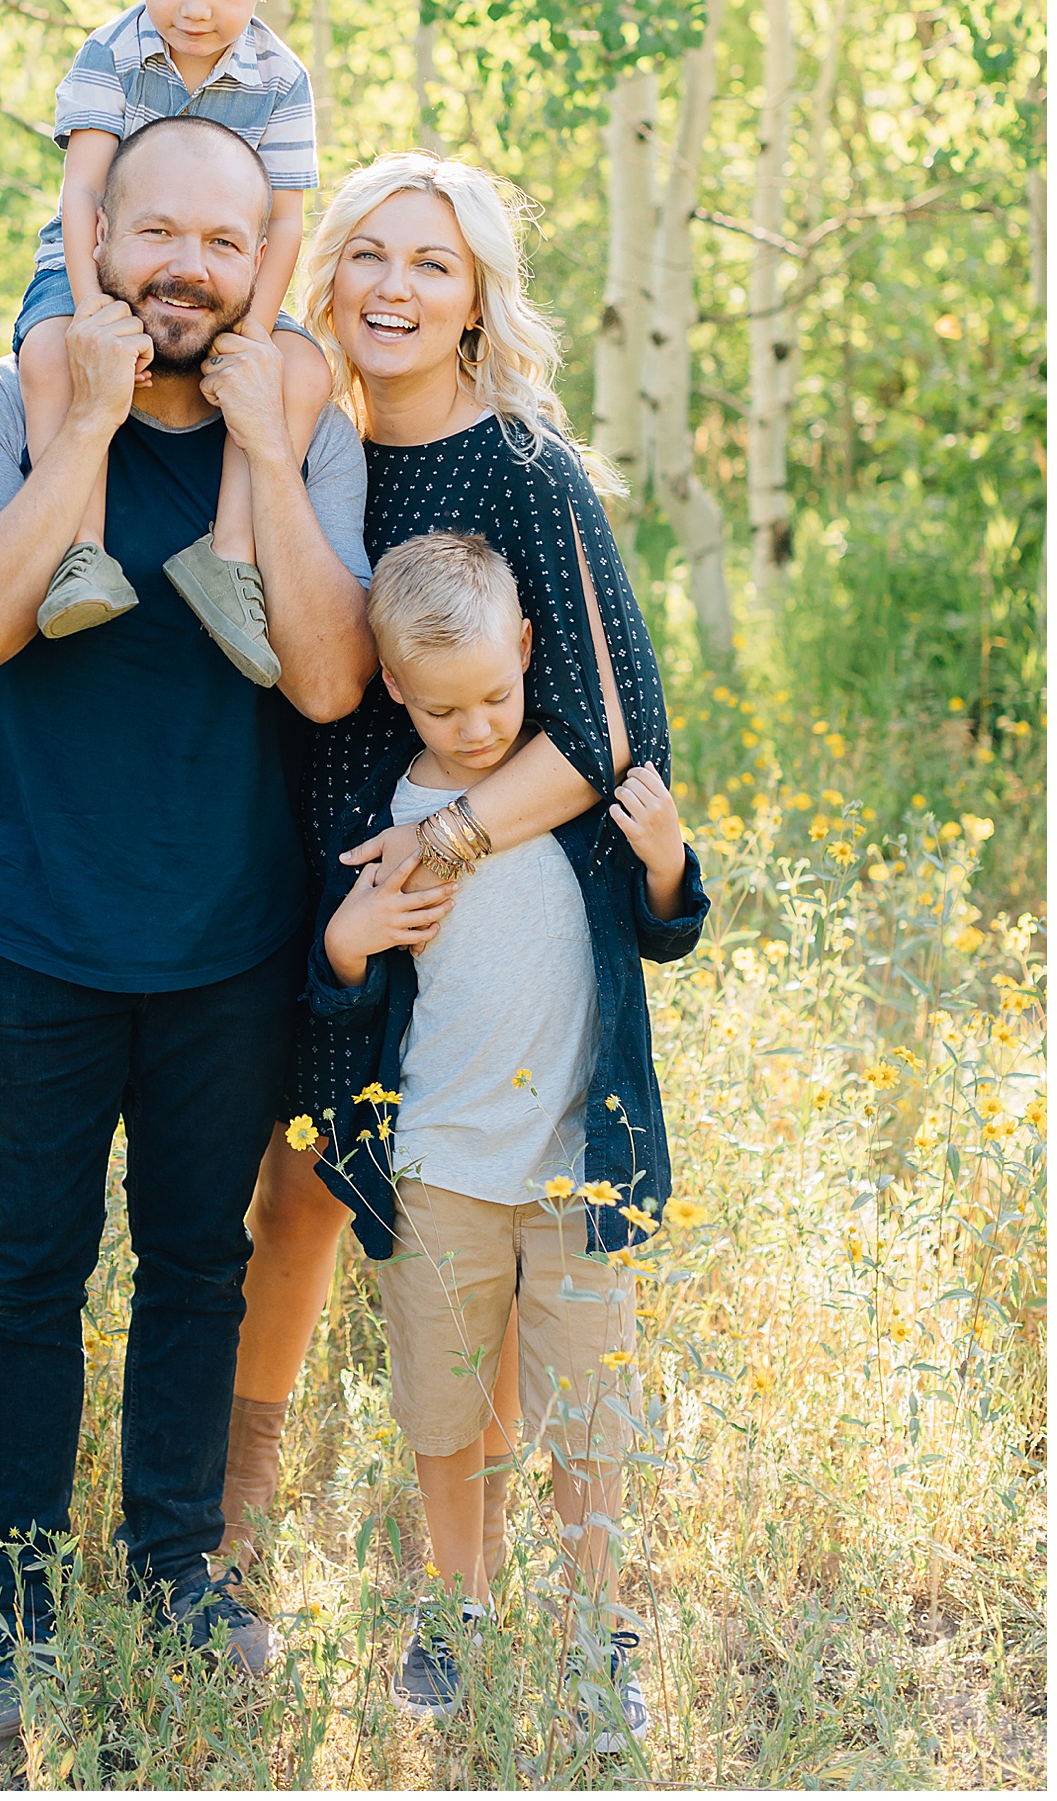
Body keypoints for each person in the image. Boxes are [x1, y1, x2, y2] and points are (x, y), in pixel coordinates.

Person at [0, 114, 377, 1749]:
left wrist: (259, 453)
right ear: (97, 234)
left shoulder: (303, 428)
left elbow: (323, 678)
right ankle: (19, 1613)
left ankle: (180, 1577)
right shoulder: (3, 403)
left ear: (264, 264)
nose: (186, 264)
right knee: (29, 1273)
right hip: (32, 930)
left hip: (228, 940)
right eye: (157, 232)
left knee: (196, 1267)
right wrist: (84, 434)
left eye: (224, 242)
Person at [222, 150, 674, 1574]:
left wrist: (447, 840)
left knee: (476, 1202)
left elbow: (615, 727)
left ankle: (461, 1581)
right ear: (330, 273)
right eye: (369, 254)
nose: (395, 288)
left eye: (432, 263)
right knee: (300, 1182)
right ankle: (238, 1514)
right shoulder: (313, 446)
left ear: (477, 295)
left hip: (489, 911)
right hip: (332, 889)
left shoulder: (523, 463)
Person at [304, 529, 710, 1742]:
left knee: (588, 1409)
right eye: (444, 705)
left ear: (529, 649)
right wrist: (346, 942)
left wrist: (668, 857)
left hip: (578, 1163)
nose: (477, 725)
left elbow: (668, 927)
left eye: (496, 693)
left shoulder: (567, 790)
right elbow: (349, 988)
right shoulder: (386, 816)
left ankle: (597, 1635)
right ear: (393, 689)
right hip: (438, 1163)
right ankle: (459, 1606)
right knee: (446, 1402)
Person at [15, 0, 330, 687]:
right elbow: (81, 196)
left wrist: (257, 333)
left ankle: (229, 558)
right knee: (50, 355)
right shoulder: (110, 55)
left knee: (295, 376)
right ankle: (77, 548)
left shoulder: (281, 79)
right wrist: (90, 310)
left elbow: (289, 223)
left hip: (231, 285)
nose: (195, 9)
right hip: (94, 264)